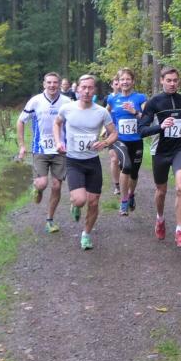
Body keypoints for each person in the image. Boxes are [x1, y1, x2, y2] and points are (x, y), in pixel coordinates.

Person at [53, 74, 118, 250]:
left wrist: (105, 142)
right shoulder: (67, 109)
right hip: (74, 161)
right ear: (78, 89)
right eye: (84, 87)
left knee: (94, 202)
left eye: (90, 88)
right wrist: (58, 142)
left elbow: (114, 133)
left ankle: (86, 234)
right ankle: (75, 204)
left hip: (92, 162)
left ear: (94, 90)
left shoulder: (102, 112)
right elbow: (57, 124)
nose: (87, 91)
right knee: (81, 200)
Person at [138, 67, 181, 248]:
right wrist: (161, 126)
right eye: (169, 80)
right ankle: (160, 218)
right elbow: (142, 130)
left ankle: (179, 231)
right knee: (161, 191)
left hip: (179, 150)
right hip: (160, 152)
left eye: (175, 80)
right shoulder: (154, 103)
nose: (172, 84)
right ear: (162, 80)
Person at [17, 72, 71, 233]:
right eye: (49, 82)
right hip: (40, 149)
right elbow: (21, 121)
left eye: (55, 82)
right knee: (42, 183)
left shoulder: (67, 102)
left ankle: (49, 220)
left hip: (60, 149)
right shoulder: (36, 101)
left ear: (59, 84)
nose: (52, 85)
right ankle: (38, 188)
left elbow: (74, 122)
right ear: (44, 84)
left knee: (56, 185)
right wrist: (22, 145)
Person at [106, 68, 147, 216]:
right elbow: (105, 114)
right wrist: (106, 129)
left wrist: (134, 112)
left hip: (136, 140)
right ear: (118, 82)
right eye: (122, 79)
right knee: (126, 167)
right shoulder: (113, 99)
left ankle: (131, 195)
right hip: (120, 140)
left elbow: (147, 118)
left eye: (128, 79)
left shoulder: (140, 98)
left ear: (133, 81)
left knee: (134, 173)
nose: (125, 82)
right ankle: (123, 202)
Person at [105, 76, 121, 196]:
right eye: (116, 84)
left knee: (125, 161)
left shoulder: (129, 98)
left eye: (119, 83)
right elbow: (105, 113)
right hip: (112, 132)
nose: (118, 86)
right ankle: (117, 185)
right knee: (114, 159)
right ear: (112, 85)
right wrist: (104, 129)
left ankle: (127, 182)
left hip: (126, 133)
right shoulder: (109, 98)